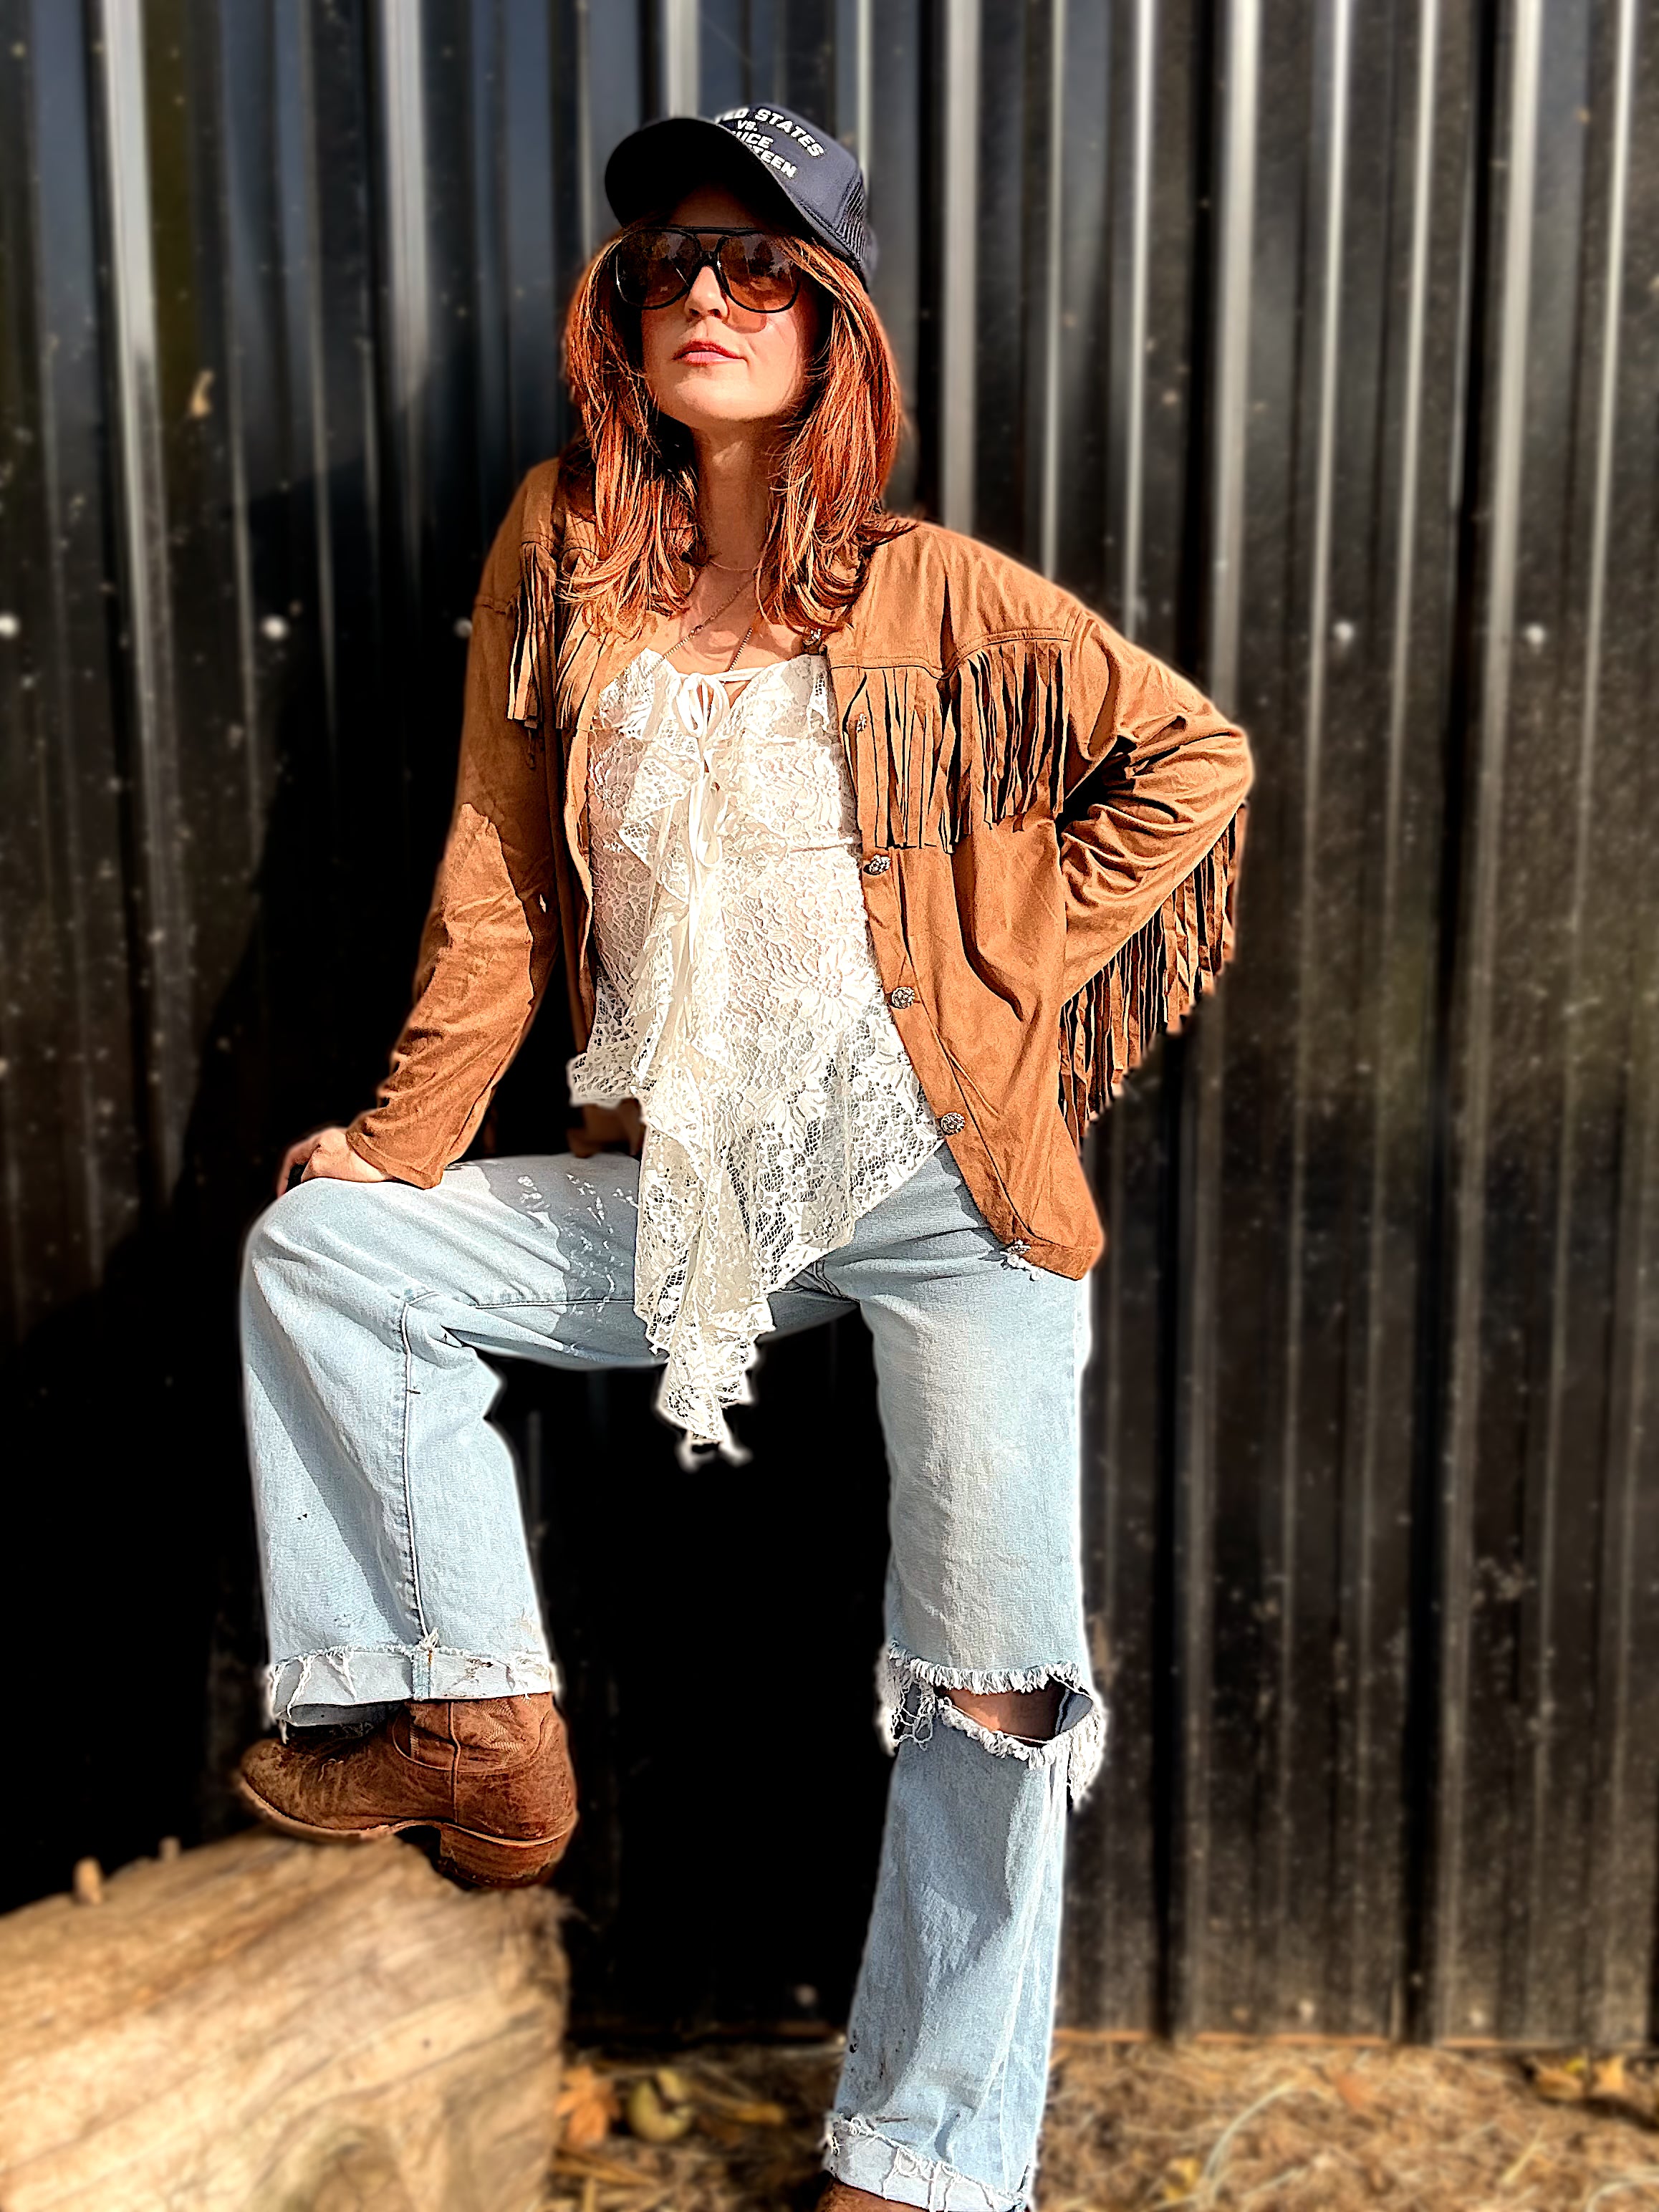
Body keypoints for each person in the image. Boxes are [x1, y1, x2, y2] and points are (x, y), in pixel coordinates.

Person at [235, 100, 1254, 2212]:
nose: (707, 295)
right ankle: (469, 1717)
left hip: (946, 1191)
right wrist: (404, 1140)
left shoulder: (933, 588)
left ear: (833, 322)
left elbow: (1192, 757)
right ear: (618, 316)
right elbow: (502, 871)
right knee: (327, 1254)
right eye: (665, 267)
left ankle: (927, 2163)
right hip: (694, 1190)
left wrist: (1005, 965)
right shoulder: (562, 546)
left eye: (762, 266)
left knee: (990, 1687)